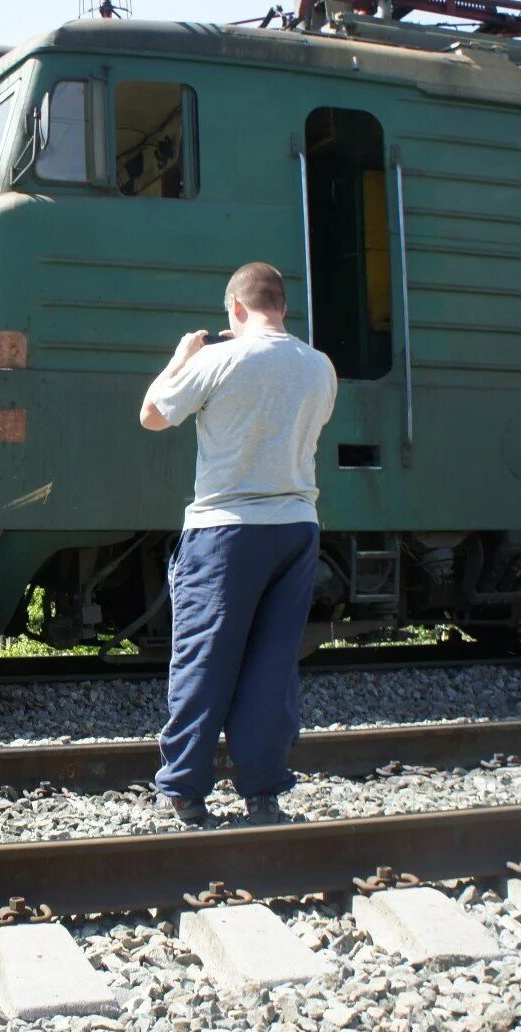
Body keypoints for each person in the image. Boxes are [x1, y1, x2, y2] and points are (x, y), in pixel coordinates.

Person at [138, 262, 337, 822]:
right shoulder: (320, 367)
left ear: (236, 309)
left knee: (205, 658)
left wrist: (182, 358)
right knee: (272, 665)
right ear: (283, 308)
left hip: (225, 530)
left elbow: (152, 415)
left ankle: (182, 788)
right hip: (297, 529)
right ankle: (262, 791)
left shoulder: (217, 359)